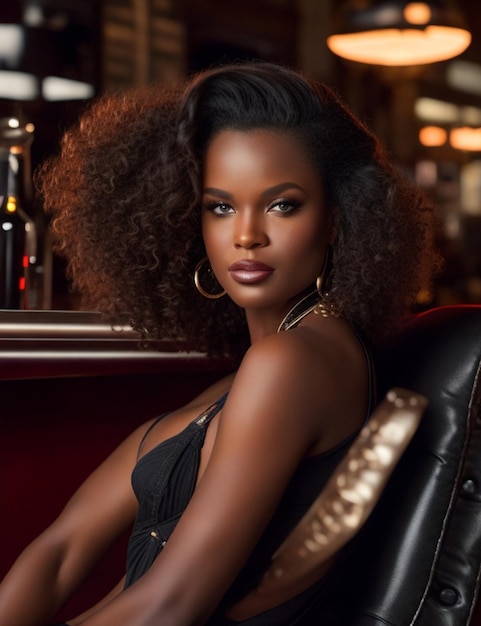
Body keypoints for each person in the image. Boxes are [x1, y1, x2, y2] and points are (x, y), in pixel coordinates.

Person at [0, 61, 440, 626]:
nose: (246, 234)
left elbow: (169, 607)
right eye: (221, 206)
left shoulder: (294, 363)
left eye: (283, 204)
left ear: (336, 219)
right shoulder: (248, 379)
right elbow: (58, 553)